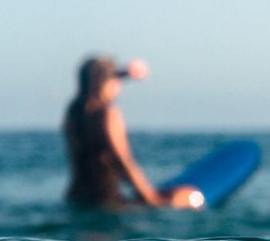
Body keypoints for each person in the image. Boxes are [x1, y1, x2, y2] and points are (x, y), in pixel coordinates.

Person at [64, 56, 183, 208]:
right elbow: (123, 160)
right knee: (190, 196)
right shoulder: (108, 115)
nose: (118, 85)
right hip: (107, 199)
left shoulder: (74, 112)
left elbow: (98, 76)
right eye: (115, 79)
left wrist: (127, 73)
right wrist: (151, 197)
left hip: (76, 196)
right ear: (104, 83)